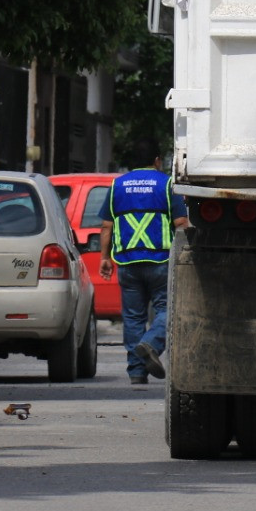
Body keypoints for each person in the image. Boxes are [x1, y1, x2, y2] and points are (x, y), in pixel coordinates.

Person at [99, 141, 189, 385]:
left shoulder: (117, 185)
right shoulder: (167, 184)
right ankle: (151, 343)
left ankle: (137, 372)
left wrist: (104, 258)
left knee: (133, 317)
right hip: (160, 261)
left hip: (127, 262)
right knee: (167, 309)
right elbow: (181, 223)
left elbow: (106, 226)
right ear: (157, 160)